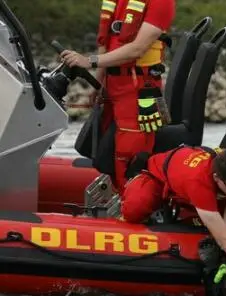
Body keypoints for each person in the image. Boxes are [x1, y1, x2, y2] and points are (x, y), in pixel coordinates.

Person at [59, 0, 176, 192]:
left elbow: (137, 49)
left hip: (138, 90)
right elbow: (107, 43)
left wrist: (88, 61)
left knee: (129, 157)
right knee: (109, 152)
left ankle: (134, 208)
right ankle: (119, 203)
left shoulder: (161, 2)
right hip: (112, 87)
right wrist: (97, 85)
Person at [121, 145, 226, 274]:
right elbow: (224, 240)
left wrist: (224, 256)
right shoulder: (198, 181)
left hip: (205, 188)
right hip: (159, 177)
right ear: (216, 178)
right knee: (135, 207)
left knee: (218, 221)